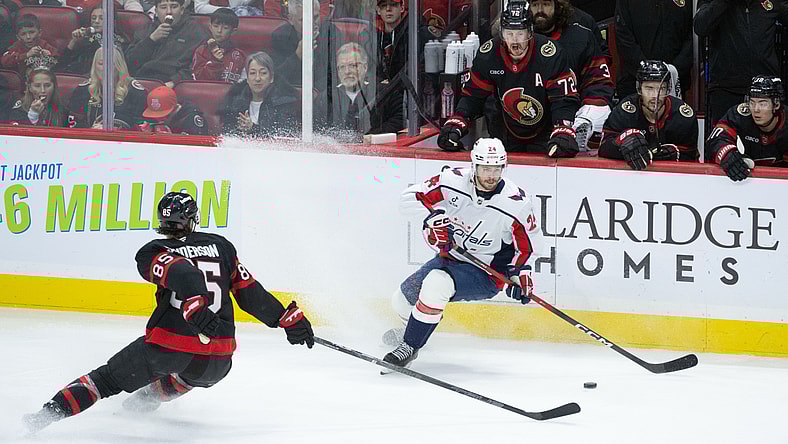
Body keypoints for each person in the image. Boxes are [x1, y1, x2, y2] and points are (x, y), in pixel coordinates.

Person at [23, 191, 314, 433]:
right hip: (217, 363)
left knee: (104, 381)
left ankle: (39, 420)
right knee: (182, 377)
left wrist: (194, 301)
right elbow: (250, 293)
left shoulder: (152, 250)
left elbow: (182, 272)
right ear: (193, 219)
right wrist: (286, 319)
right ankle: (136, 407)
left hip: (170, 347)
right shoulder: (222, 246)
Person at [382, 138, 543, 368]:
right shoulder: (451, 181)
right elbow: (409, 199)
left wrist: (519, 274)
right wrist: (431, 217)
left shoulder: (515, 203)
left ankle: (410, 345)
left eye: (496, 169)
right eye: (486, 168)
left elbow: (528, 246)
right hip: (451, 259)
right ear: (474, 165)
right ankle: (420, 325)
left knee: (436, 283)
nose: (491, 175)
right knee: (401, 300)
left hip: (486, 274)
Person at [438, 1, 580, 155]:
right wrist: (458, 121)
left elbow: (563, 100)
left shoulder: (549, 54)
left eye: (520, 34)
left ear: (530, 32)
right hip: (505, 132)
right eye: (509, 34)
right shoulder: (489, 55)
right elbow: (473, 96)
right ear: (501, 32)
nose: (515, 41)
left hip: (546, 132)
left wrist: (563, 129)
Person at [530, 0, 614, 151]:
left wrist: (589, 110)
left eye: (546, 4)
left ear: (558, 6)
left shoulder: (581, 37)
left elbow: (598, 81)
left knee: (600, 111)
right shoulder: (518, 39)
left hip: (573, 117)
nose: (540, 10)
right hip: (529, 121)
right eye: (535, 5)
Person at [695, 0, 788, 124]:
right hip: (725, 88)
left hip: (765, 88)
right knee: (724, 139)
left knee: (766, 140)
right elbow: (700, 27)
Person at [599, 60, 699, 169]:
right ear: (639, 88)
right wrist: (623, 141)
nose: (655, 96)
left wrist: (677, 155)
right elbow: (603, 147)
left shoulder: (682, 117)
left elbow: (693, 159)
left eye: (661, 88)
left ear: (668, 89)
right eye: (649, 88)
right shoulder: (625, 111)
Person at [315, 42, 404, 141]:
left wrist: (372, 137)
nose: (347, 71)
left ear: (365, 67)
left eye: (353, 65)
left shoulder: (384, 92)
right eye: (342, 67)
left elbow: (399, 118)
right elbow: (317, 128)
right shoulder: (325, 98)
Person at [706, 76, 788, 182]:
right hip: (748, 183)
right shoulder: (740, 115)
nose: (756, 109)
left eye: (762, 103)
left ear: (776, 104)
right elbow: (715, 140)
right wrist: (728, 155)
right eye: (752, 102)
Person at [615, 0, 693, 100]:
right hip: (633, 83)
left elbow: (693, 37)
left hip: (674, 81)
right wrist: (646, 71)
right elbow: (623, 37)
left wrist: (674, 70)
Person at [126, 0, 209, 88]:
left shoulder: (196, 32)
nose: (169, 11)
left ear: (182, 10)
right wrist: (151, 40)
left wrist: (175, 81)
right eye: (163, 7)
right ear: (156, 12)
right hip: (139, 81)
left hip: (172, 84)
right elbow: (129, 63)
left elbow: (199, 67)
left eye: (174, 7)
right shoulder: (146, 30)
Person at [222, 51, 301, 138]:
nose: (257, 78)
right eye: (252, 73)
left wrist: (253, 129)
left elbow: (284, 139)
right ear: (247, 79)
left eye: (263, 73)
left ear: (271, 78)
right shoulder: (235, 102)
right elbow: (227, 135)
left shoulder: (284, 103)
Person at [68, 46, 147, 129]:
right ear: (95, 66)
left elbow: (142, 126)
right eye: (101, 64)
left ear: (119, 66)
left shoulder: (135, 91)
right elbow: (72, 123)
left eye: (110, 64)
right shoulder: (83, 90)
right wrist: (91, 130)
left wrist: (117, 129)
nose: (106, 68)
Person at [58, 5, 128, 75]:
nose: (96, 21)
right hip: (79, 75)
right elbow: (62, 63)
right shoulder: (86, 37)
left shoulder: (119, 39)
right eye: (94, 18)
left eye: (101, 18)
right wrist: (73, 41)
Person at [191, 8, 246, 83]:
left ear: (233, 31)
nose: (219, 31)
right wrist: (216, 62)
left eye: (225, 28)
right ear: (210, 27)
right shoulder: (201, 51)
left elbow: (244, 82)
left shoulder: (240, 55)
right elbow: (198, 80)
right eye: (216, 26)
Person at [136, 86, 207, 135]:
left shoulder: (191, 119)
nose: (157, 118)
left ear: (173, 109)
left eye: (161, 115)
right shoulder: (153, 116)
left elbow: (197, 146)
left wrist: (172, 138)